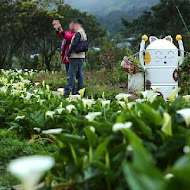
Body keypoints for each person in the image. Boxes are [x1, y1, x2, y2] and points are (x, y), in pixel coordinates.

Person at [64, 18, 87, 97]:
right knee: (80, 74)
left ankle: (68, 91)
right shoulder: (83, 32)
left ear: (78, 24)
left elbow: (73, 44)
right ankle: (80, 90)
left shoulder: (78, 32)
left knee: (71, 74)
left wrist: (68, 54)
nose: (74, 26)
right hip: (81, 56)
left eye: (75, 24)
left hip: (75, 57)